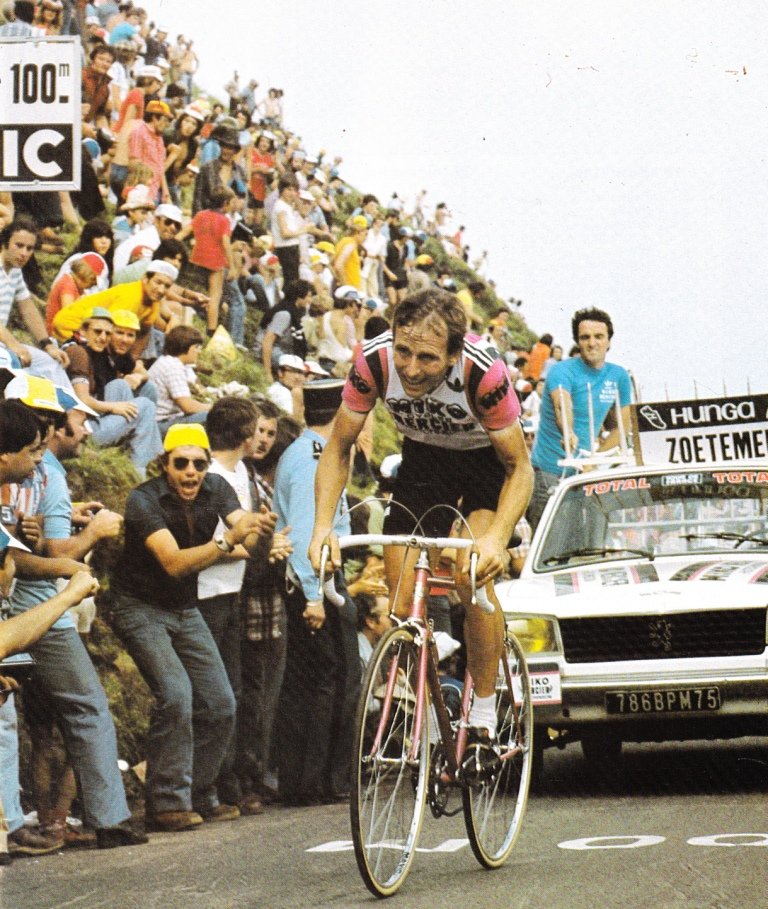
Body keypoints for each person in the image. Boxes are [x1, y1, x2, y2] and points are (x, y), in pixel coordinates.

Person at [309, 288, 533, 754]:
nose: (411, 368)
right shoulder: (373, 361)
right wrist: (322, 527)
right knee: (400, 601)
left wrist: (493, 540)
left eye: (428, 358)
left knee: (472, 576)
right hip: (424, 462)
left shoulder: (481, 371)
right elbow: (338, 447)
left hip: (486, 463)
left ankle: (486, 709)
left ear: (453, 354)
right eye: (404, 350)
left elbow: (520, 468)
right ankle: (429, 716)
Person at [0, 378, 146, 852]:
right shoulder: (43, 472)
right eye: (66, 420)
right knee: (87, 709)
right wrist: (92, 537)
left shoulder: (27, 473)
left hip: (24, 603)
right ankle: (110, 818)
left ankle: (23, 823)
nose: (75, 429)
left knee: (23, 724)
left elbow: (24, 547)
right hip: (38, 612)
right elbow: (47, 549)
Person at [107, 423, 272, 832]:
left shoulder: (216, 488)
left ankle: (198, 792)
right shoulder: (142, 500)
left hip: (183, 606)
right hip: (138, 606)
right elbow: (175, 562)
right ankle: (166, 802)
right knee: (177, 695)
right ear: (165, 465)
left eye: (199, 463)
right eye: (181, 464)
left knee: (220, 703)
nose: (191, 473)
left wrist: (258, 530)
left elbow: (246, 537)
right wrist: (227, 541)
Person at [273, 379, 359, 804]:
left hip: (316, 577)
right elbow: (308, 530)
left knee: (321, 680)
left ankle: (313, 778)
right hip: (318, 579)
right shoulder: (314, 459)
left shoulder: (307, 452)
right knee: (334, 680)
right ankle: (321, 779)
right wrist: (314, 594)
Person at [527, 307, 633, 532]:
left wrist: (596, 458)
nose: (592, 343)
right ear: (577, 341)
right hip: (551, 471)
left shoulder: (619, 376)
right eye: (585, 337)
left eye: (598, 337)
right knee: (552, 549)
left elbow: (625, 424)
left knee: (590, 544)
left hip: (586, 472)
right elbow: (561, 404)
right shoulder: (561, 370)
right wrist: (568, 431)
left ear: (609, 342)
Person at [65, 308, 162, 477]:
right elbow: (83, 400)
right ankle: (139, 472)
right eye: (97, 331)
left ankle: (140, 448)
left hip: (93, 419)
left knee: (123, 386)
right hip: (83, 430)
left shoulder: (101, 352)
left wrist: (136, 378)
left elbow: (142, 373)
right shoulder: (79, 352)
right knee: (144, 406)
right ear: (83, 331)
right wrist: (114, 407)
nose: (102, 337)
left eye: (107, 333)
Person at [0, 218, 72, 386]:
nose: (24, 253)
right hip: (5, 346)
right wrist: (14, 344)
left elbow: (27, 307)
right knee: (14, 364)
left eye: (29, 248)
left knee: (51, 363)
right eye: (19, 245)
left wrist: (47, 345)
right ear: (4, 243)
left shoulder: (16, 271)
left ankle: (72, 411)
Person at [147, 324, 210, 436]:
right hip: (159, 425)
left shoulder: (169, 361)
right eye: (196, 347)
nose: (198, 352)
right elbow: (188, 407)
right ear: (185, 346)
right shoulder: (173, 366)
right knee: (214, 416)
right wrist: (215, 408)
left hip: (161, 421)